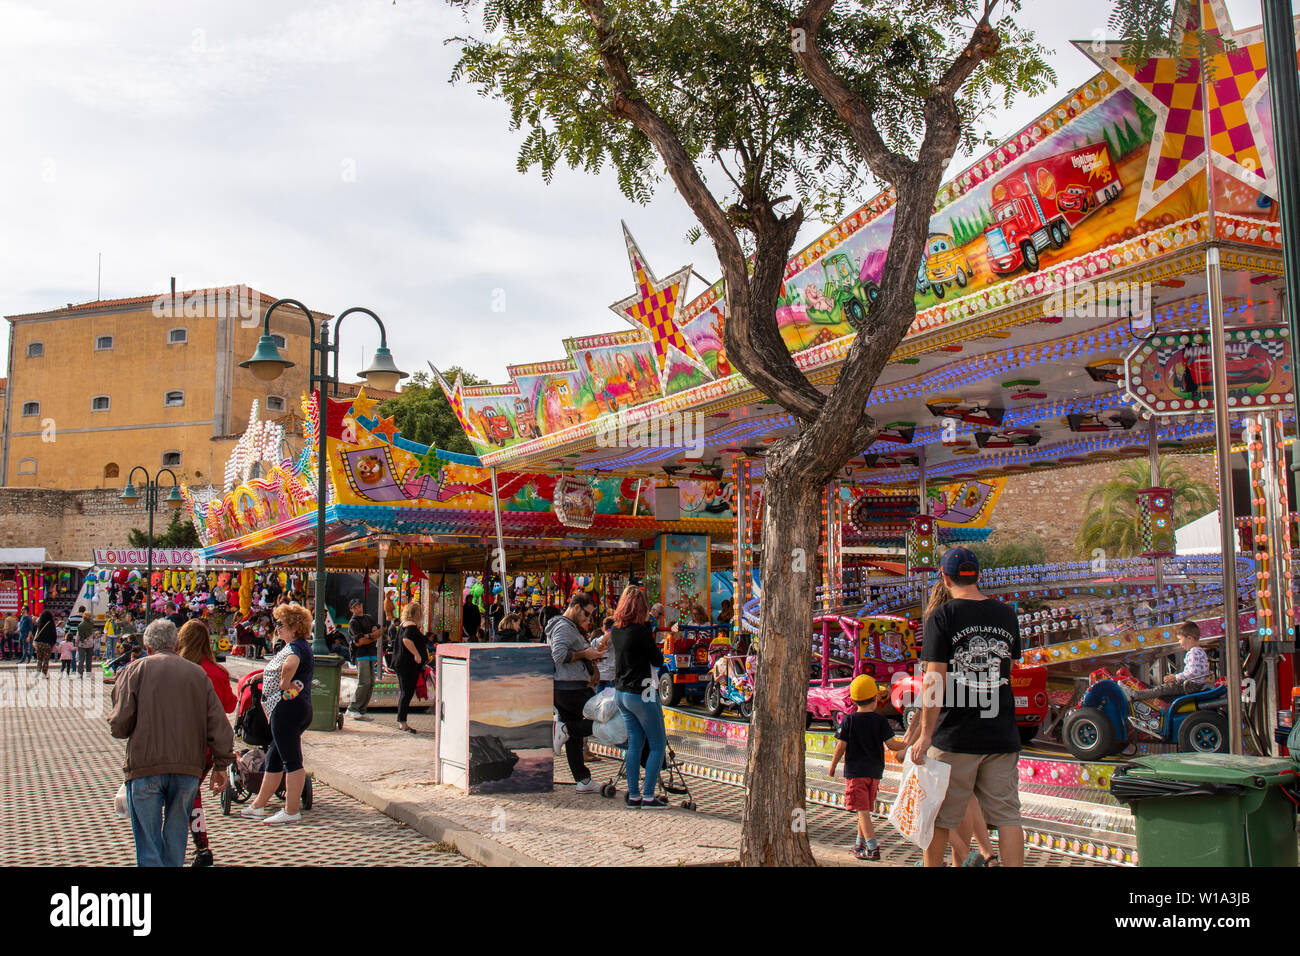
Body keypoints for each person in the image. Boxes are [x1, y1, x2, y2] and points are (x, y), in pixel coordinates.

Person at [910, 547, 1024, 867]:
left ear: (945, 578)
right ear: (978, 575)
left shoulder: (943, 617)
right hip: (1001, 732)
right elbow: (1008, 667)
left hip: (955, 736)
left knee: (939, 817)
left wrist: (925, 735)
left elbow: (934, 679)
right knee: (1007, 817)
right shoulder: (1006, 614)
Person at [108, 619, 235, 867]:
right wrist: (221, 765)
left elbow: (119, 725)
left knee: (148, 839)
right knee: (177, 834)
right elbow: (218, 723)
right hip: (187, 767)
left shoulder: (134, 670)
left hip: (145, 766)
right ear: (175, 643)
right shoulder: (197, 674)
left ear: (147, 645)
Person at [241, 603, 314, 824]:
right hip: (291, 708)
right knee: (273, 757)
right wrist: (263, 677)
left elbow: (290, 664)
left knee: (292, 760)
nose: (277, 628)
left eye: (280, 624)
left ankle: (291, 811)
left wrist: (284, 681)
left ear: (294, 626)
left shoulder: (296, 648)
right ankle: (258, 805)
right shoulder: (296, 645)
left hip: (287, 709)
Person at [828, 674, 909, 860]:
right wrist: (909, 744)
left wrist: (833, 766)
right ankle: (859, 844)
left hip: (856, 774)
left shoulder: (849, 721)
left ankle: (872, 848)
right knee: (863, 810)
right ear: (875, 699)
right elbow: (891, 745)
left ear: (854, 700)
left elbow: (841, 746)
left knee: (862, 812)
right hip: (874, 774)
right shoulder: (880, 721)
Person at [177, 620, 236, 866]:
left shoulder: (179, 668)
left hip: (181, 741)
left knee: (186, 795)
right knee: (192, 793)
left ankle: (199, 847)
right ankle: (201, 847)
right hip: (210, 745)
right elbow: (230, 705)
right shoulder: (217, 671)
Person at [610, 586, 667, 807]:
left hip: (621, 692)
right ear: (642, 607)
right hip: (642, 690)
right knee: (657, 744)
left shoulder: (616, 630)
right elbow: (657, 660)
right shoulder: (641, 631)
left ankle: (633, 794)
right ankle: (649, 796)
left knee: (634, 742)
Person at [546, 592, 602, 794]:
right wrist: (584, 654)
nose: (587, 620)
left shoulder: (570, 628)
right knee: (600, 719)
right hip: (569, 687)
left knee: (575, 736)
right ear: (576, 607)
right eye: (586, 614)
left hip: (570, 685)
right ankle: (563, 729)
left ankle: (583, 780)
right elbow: (559, 655)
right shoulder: (563, 627)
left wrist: (590, 658)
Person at [1131, 621, 1208, 701]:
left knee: (1161, 689)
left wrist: (1175, 677)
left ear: (1189, 638)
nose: (1179, 643)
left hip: (1190, 686)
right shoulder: (1200, 651)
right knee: (1163, 688)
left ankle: (1134, 694)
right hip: (1193, 685)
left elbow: (1192, 673)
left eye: (1180, 639)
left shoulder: (1194, 652)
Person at [392, 602, 428, 734]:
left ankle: (402, 721)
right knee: (407, 692)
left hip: (401, 663)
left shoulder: (403, 625)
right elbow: (406, 640)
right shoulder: (411, 627)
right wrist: (417, 654)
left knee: (405, 692)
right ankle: (402, 722)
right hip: (408, 664)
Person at [346, 597, 381, 722]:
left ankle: (361, 710)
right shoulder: (353, 622)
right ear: (351, 610)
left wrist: (369, 636)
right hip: (361, 654)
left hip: (370, 653)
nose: (358, 608)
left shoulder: (368, 617)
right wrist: (372, 636)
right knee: (364, 682)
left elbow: (379, 630)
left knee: (371, 683)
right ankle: (352, 708)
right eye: (355, 607)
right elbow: (359, 641)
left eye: (359, 606)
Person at [594, 616, 617, 691]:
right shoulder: (618, 642)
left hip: (599, 676)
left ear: (603, 628)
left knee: (598, 700)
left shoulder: (595, 641)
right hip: (612, 676)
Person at [76, 611, 97, 678]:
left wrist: (77, 643)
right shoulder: (91, 624)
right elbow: (92, 633)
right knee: (89, 659)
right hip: (90, 643)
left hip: (82, 644)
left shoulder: (80, 625)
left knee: (81, 659)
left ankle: (80, 673)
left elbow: (79, 635)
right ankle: (88, 673)